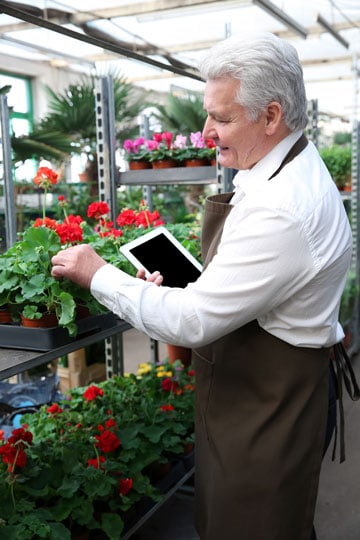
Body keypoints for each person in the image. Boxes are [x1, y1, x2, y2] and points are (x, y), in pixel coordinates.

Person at [51, 32, 353, 540]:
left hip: (267, 409)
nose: (207, 131)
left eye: (223, 117)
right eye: (208, 114)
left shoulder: (283, 207)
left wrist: (97, 273)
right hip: (255, 394)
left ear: (272, 116)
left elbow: (192, 322)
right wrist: (189, 287)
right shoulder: (280, 165)